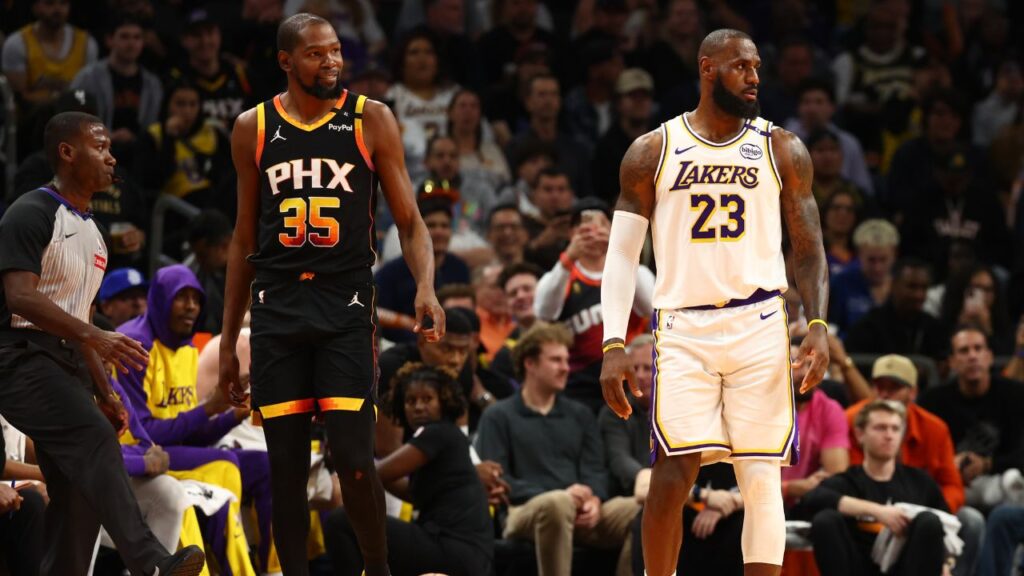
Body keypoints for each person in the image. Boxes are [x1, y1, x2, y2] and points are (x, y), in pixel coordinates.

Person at [219, 14, 445, 576]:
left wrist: (426, 287)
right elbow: (244, 236)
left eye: (336, 51)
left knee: (353, 460)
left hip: (345, 305)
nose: (331, 63)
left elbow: (411, 222)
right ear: (287, 62)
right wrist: (228, 340)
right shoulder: (252, 126)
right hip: (276, 310)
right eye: (317, 54)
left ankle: (377, 568)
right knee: (287, 468)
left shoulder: (371, 119)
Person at [599, 29, 830, 576]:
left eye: (756, 68)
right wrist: (613, 341)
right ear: (707, 68)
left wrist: (817, 323)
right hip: (684, 326)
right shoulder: (653, 150)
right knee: (672, 474)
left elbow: (810, 247)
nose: (753, 77)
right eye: (740, 67)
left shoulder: (781, 148)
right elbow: (620, 257)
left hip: (761, 321)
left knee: (760, 474)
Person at [0, 111, 204, 575]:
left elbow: (81, 317)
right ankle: (151, 563)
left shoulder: (94, 233)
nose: (113, 158)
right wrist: (94, 336)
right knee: (95, 441)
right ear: (67, 152)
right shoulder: (30, 212)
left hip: (66, 363)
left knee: (78, 492)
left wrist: (105, 391)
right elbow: (20, 297)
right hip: (19, 357)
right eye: (102, 147)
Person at [475, 322, 641, 576]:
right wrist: (563, 494)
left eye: (566, 360)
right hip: (523, 511)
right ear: (529, 364)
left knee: (642, 509)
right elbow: (499, 481)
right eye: (555, 360)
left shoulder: (580, 414)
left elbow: (596, 469)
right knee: (558, 502)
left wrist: (595, 499)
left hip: (580, 509)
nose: (566, 368)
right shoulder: (498, 416)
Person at [325, 363, 493, 575]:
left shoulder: (437, 432)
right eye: (410, 401)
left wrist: (346, 457)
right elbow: (408, 490)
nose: (418, 407)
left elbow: (376, 473)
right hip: (467, 554)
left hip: (453, 549)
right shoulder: (445, 437)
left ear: (444, 401)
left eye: (427, 399)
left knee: (342, 521)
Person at [803, 400, 951, 576]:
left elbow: (948, 528)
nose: (889, 435)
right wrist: (878, 511)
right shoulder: (847, 480)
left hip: (906, 567)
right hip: (856, 567)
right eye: (880, 428)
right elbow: (812, 498)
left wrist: (946, 564)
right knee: (825, 519)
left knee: (930, 521)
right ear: (860, 434)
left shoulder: (920, 481)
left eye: (895, 429)